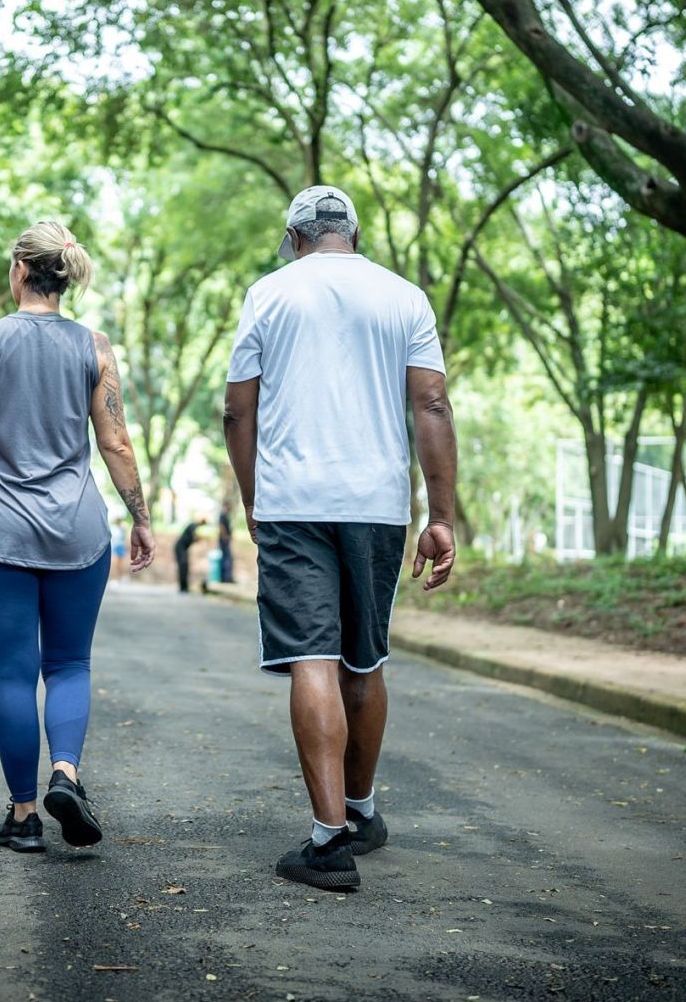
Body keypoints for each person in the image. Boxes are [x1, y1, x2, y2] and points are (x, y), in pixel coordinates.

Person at [223, 185, 456, 893]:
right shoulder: (404, 296)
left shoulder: (269, 293)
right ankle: (361, 812)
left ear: (294, 237)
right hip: (377, 504)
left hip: (295, 501)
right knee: (365, 657)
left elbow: (238, 409)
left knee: (311, 656)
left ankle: (329, 843)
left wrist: (254, 498)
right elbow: (432, 402)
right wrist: (440, 514)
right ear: (352, 234)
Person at [0, 220, 154, 854]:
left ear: (19, 271)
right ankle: (65, 772)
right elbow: (115, 441)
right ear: (63, 276)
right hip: (79, 533)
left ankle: (22, 816)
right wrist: (141, 518)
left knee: (13, 674)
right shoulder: (95, 348)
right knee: (69, 663)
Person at [174, 518, 204, 593]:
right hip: (180, 548)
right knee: (183, 566)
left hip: (184, 549)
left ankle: (185, 586)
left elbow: (194, 539)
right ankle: (182, 587)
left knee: (185, 566)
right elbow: (195, 536)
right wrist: (200, 538)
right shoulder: (193, 526)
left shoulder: (194, 527)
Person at [218, 502, 234, 584]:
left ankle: (226, 577)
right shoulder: (222, 515)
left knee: (227, 558)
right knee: (227, 558)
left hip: (224, 539)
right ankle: (226, 578)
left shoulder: (225, 515)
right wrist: (225, 537)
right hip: (224, 540)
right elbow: (221, 526)